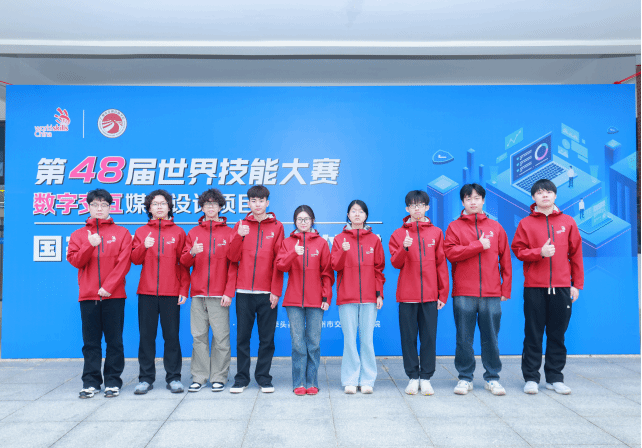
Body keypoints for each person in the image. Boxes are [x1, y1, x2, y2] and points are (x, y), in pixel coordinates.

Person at [512, 179, 584, 395]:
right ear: (533, 197)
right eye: (540, 192)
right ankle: (531, 378)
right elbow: (518, 251)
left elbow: (576, 255)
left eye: (549, 192)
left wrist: (576, 284)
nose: (545, 195)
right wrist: (539, 253)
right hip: (534, 287)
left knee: (557, 335)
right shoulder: (525, 223)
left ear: (555, 195)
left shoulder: (568, 222)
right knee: (533, 334)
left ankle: (554, 378)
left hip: (562, 287)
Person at [444, 184, 512, 396]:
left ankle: (492, 377)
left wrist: (505, 289)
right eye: (468, 198)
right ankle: (465, 378)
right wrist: (478, 245)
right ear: (462, 202)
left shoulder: (496, 227)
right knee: (464, 338)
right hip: (464, 291)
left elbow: (505, 260)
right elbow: (451, 254)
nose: (473, 202)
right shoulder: (454, 227)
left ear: (483, 200)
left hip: (491, 292)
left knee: (491, 337)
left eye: (476, 198)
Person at [67, 189, 132, 399]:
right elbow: (75, 261)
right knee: (91, 343)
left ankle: (113, 381)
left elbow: (124, 263)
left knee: (115, 342)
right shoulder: (78, 235)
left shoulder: (122, 233)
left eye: (104, 205)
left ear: (111, 207)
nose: (99, 208)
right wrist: (89, 244)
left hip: (114, 296)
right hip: (88, 296)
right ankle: (91, 382)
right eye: (95, 205)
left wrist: (109, 286)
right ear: (88, 207)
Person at [389, 190, 448, 396]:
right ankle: (413, 377)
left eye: (421, 205)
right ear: (407, 209)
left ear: (427, 207)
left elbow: (441, 264)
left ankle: (426, 378)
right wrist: (404, 248)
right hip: (407, 295)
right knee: (408, 338)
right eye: (413, 205)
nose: (417, 208)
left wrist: (442, 294)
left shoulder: (436, 233)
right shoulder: (398, 234)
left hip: (430, 295)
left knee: (429, 338)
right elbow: (395, 263)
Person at [131, 189, 190, 394]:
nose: (159, 207)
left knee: (171, 337)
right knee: (146, 337)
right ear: (149, 208)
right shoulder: (141, 232)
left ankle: (174, 377)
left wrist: (183, 289)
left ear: (169, 207)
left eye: (163, 203)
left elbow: (184, 264)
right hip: (146, 292)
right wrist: (144, 246)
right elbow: (135, 259)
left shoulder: (179, 232)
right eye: (155, 204)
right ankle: (145, 378)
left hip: (171, 292)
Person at [227, 185, 284, 393]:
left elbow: (279, 261)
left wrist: (275, 290)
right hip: (244, 292)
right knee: (242, 338)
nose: (257, 204)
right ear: (248, 203)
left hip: (266, 293)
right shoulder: (240, 225)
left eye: (261, 200)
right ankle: (241, 379)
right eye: (253, 201)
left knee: (266, 339)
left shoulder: (277, 227)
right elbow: (232, 257)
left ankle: (263, 378)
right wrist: (238, 236)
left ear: (267, 202)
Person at [180, 189, 238, 393]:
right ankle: (199, 376)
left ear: (220, 207)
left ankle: (219, 377)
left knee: (221, 338)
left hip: (219, 295)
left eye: (214, 204)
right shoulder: (193, 233)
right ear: (202, 208)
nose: (210, 207)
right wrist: (192, 252)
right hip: (198, 295)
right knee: (199, 337)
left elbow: (233, 265)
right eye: (207, 204)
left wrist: (228, 292)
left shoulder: (230, 233)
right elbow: (184, 262)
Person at [276, 205, 334, 396]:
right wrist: (294, 252)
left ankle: (312, 382)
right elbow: (281, 266)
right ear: (294, 221)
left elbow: (327, 273)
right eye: (299, 219)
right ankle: (299, 382)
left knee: (314, 343)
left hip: (316, 301)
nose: (303, 222)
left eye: (306, 219)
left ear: (312, 221)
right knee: (298, 343)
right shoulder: (287, 243)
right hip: (293, 301)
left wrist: (326, 296)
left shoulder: (321, 244)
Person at [331, 200, 385, 394]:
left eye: (361, 211)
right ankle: (350, 380)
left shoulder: (374, 240)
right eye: (353, 211)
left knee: (367, 340)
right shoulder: (339, 239)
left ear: (365, 216)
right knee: (349, 340)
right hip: (347, 297)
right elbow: (334, 266)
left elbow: (379, 269)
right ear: (348, 215)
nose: (357, 214)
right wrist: (343, 252)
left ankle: (368, 379)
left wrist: (379, 294)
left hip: (369, 297)